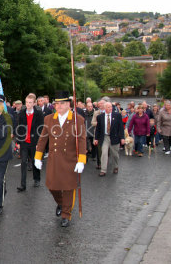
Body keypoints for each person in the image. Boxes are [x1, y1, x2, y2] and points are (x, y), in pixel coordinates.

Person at [34, 91, 86, 227]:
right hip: (54, 159)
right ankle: (62, 204)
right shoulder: (49, 119)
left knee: (69, 188)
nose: (59, 106)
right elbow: (43, 139)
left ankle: (66, 214)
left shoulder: (77, 119)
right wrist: (38, 157)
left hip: (70, 159)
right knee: (52, 186)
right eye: (57, 103)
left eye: (62, 103)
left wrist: (81, 160)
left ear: (68, 104)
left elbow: (81, 140)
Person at [16, 94, 44, 192]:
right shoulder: (21, 112)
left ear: (34, 103)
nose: (28, 104)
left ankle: (36, 179)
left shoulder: (39, 113)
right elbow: (19, 128)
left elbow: (41, 129)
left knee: (34, 161)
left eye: (30, 102)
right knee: (23, 162)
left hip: (34, 142)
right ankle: (23, 184)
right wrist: (18, 142)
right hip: (24, 142)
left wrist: (39, 143)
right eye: (27, 102)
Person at [94, 102, 125, 176]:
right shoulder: (100, 117)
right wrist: (96, 138)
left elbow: (121, 127)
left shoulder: (117, 115)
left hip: (114, 137)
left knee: (115, 154)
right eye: (108, 107)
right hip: (104, 137)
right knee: (104, 153)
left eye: (111, 107)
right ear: (105, 108)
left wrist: (122, 138)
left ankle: (115, 166)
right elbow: (98, 129)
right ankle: (103, 170)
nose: (110, 108)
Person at [91, 99, 106, 169]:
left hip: (106, 134)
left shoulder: (108, 112)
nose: (100, 105)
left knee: (106, 150)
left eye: (102, 104)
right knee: (99, 149)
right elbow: (92, 122)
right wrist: (99, 123)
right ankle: (99, 163)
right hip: (98, 133)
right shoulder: (96, 112)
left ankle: (105, 162)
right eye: (99, 104)